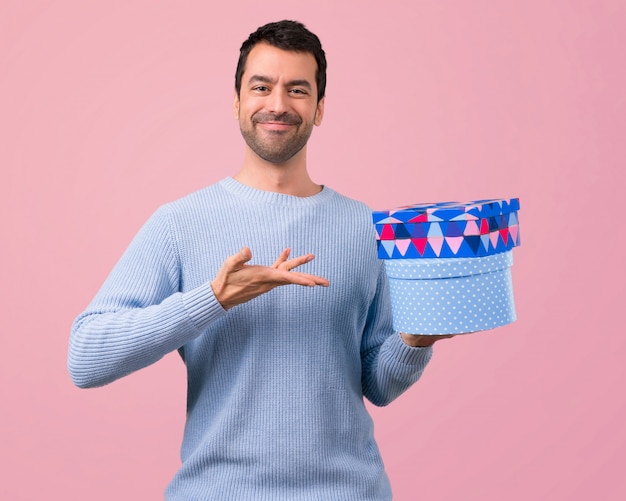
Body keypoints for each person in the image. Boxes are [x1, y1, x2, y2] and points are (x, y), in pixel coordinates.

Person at [68, 20, 453, 500]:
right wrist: (212, 300)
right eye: (261, 87)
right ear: (236, 102)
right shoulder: (180, 223)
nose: (278, 104)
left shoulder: (366, 229)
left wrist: (416, 341)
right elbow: (86, 358)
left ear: (319, 109)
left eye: (297, 89)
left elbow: (378, 384)